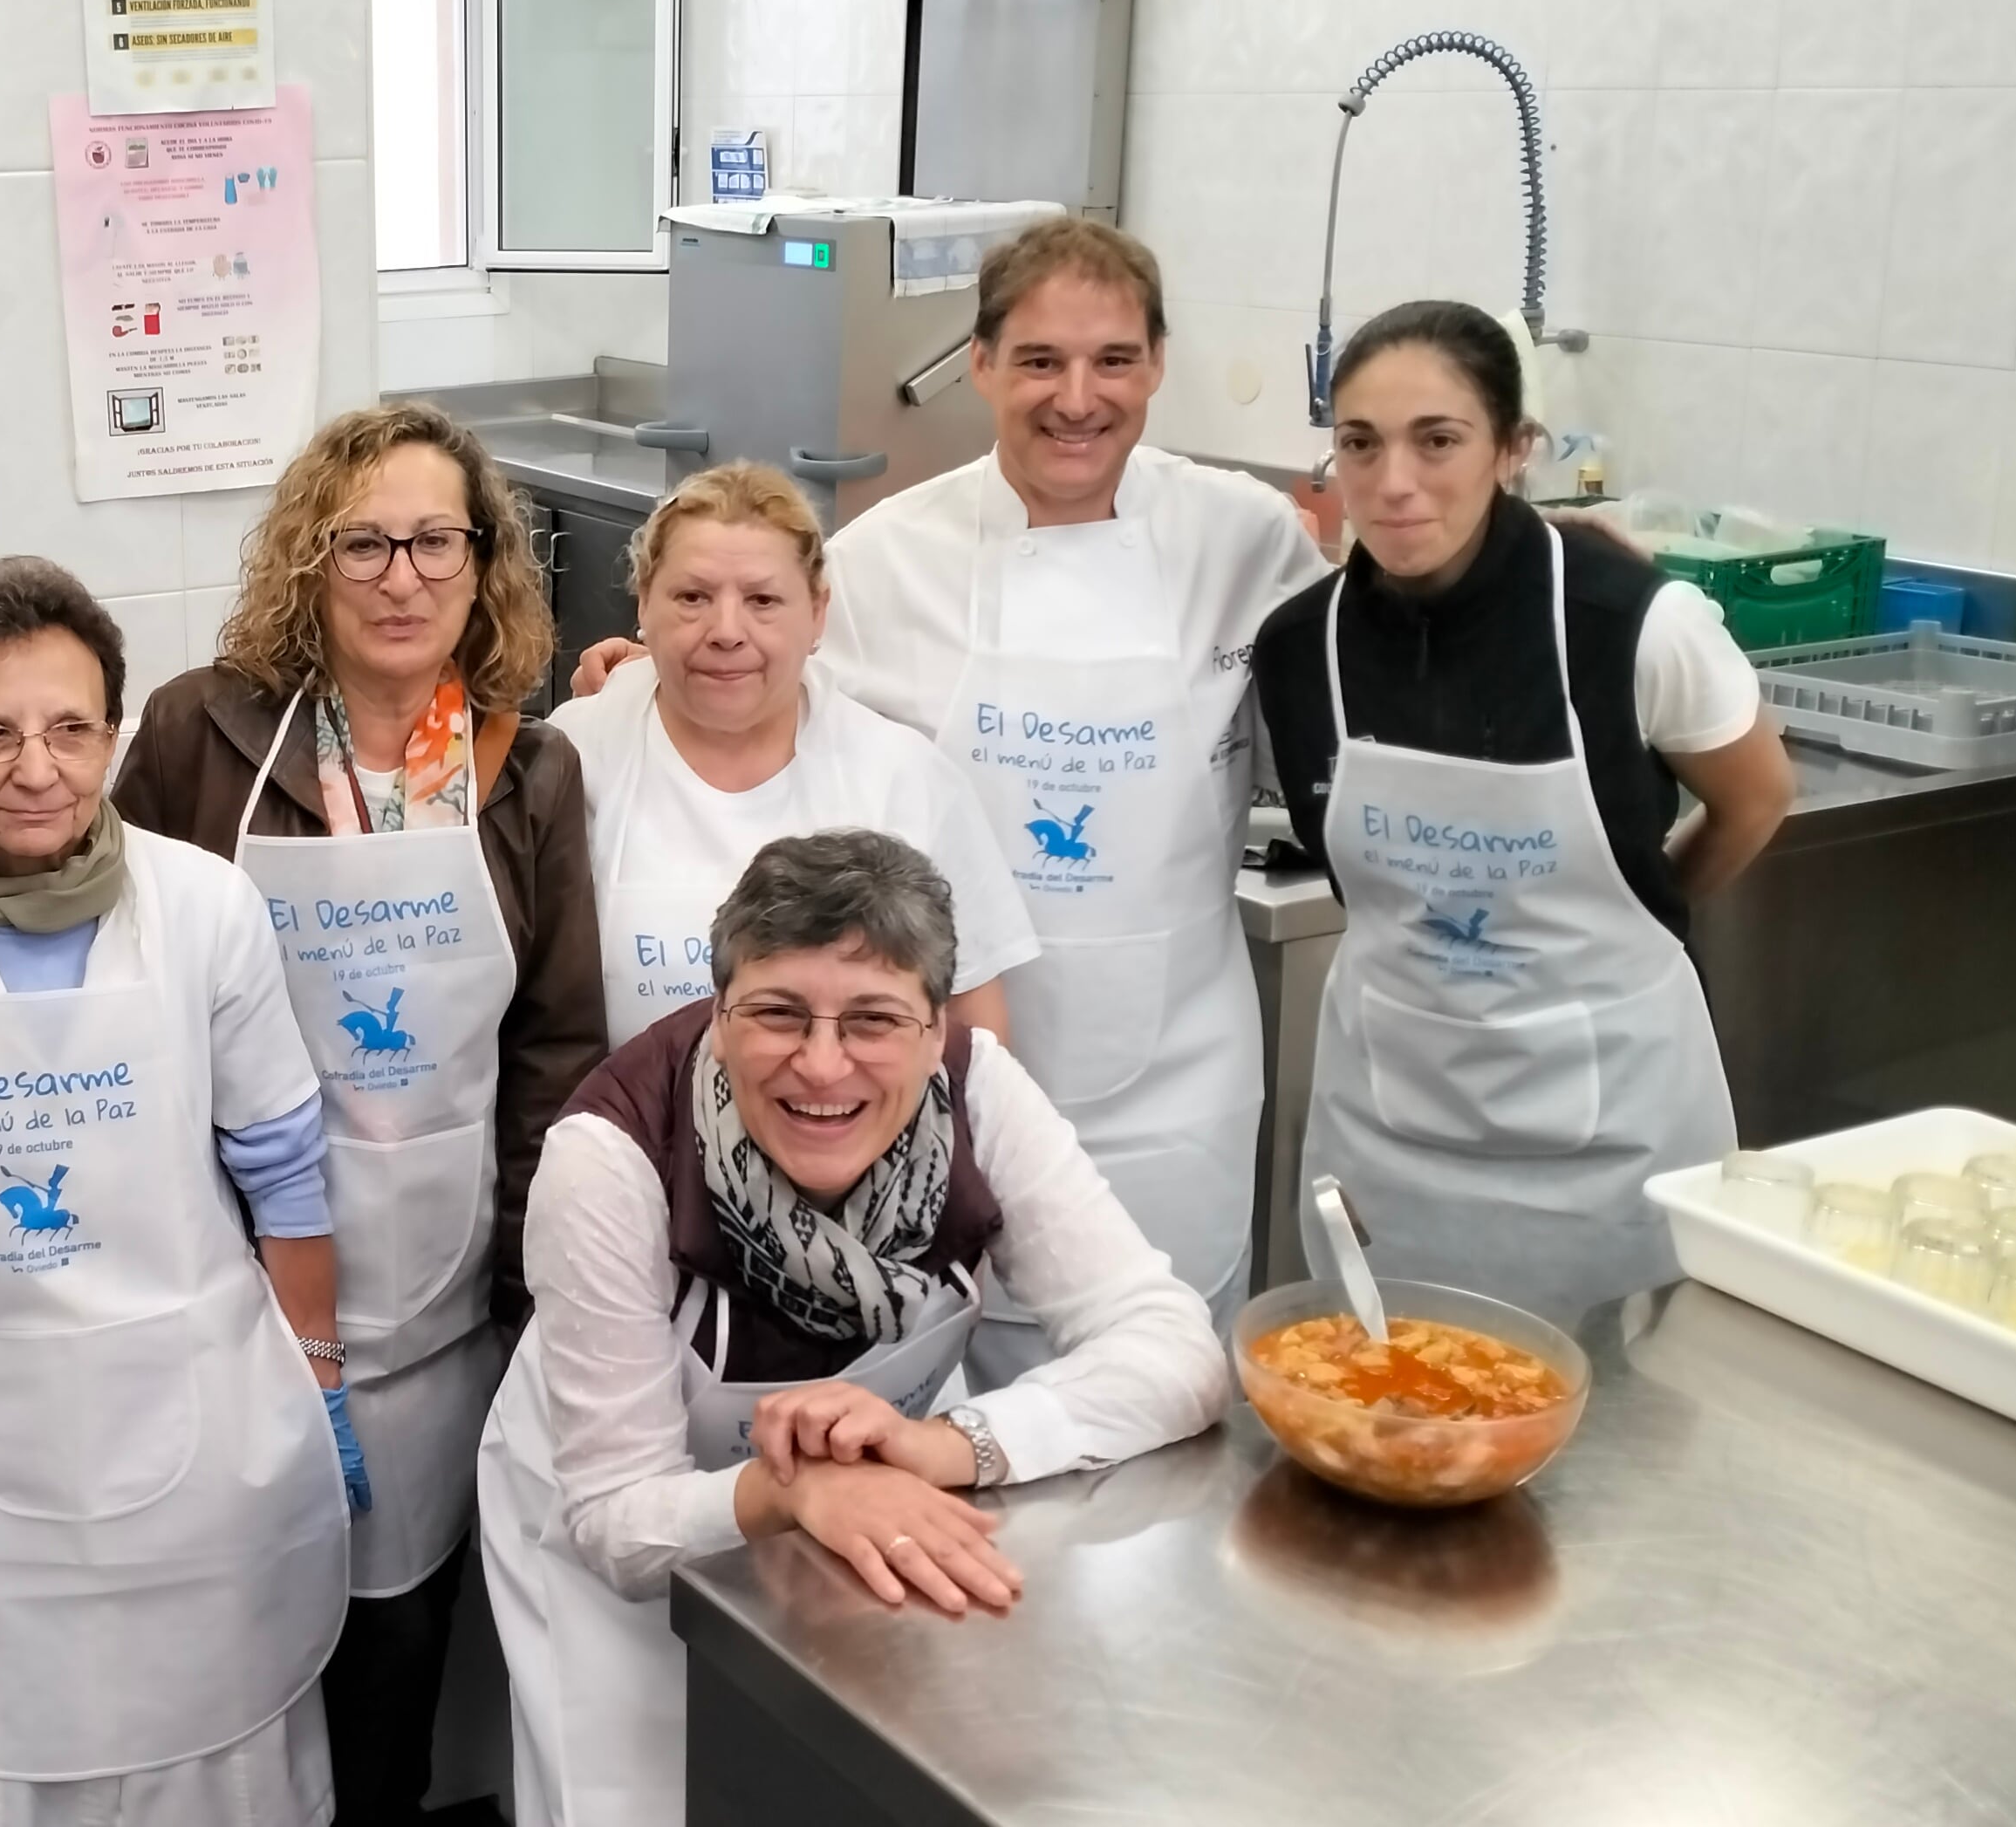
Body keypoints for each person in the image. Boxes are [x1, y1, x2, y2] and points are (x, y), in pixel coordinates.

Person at [0, 558, 360, 1827]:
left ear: (113, 734)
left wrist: (322, 1378)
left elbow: (283, 1169)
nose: (34, 768)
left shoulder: (206, 908)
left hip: (197, 1423)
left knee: (211, 1758)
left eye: (69, 730)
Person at [476, 830, 1228, 1825]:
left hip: (879, 1493)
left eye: (873, 1019)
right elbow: (616, 1516)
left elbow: (1174, 1348)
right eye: (778, 1013)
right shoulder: (611, 1158)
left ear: (934, 1030)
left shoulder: (982, 1093)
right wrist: (793, 1489)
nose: (822, 1067)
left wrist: (940, 1445)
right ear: (719, 1011)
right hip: (626, 1525)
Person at [112, 403, 605, 1824]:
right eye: (364, 542)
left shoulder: (528, 768)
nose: (401, 576)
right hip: (228, 1281)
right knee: (230, 1646)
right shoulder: (202, 733)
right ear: (309, 563)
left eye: (432, 541)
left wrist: (532, 1281)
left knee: (394, 1650)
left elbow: (556, 1048)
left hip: (440, 1300)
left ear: (483, 561)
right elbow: (109, 954)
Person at [814, 216, 1328, 1374]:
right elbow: (767, 724)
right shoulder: (885, 560)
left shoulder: (1242, 539)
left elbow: (1362, 680)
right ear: (984, 366)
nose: (1077, 399)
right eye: (1040, 361)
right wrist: (646, 668)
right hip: (952, 1081)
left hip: (1180, 1080)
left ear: (1156, 365)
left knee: (1166, 1380)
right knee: (969, 1398)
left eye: (1113, 361)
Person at [1252, 300, 1791, 1322]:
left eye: (1439, 440)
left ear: (1513, 448)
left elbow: (1758, 797)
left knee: (1622, 1434)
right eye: (1361, 444)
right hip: (1391, 1137)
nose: (1395, 481)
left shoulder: (1630, 625)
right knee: (1385, 1407)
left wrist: (1644, 908)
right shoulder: (1299, 648)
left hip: (1615, 1142)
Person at [545, 462, 1036, 1052]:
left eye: (763, 600)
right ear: (645, 604)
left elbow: (975, 1021)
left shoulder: (903, 777)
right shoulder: (575, 754)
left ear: (817, 613)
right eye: (693, 597)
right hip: (625, 1136)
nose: (726, 630)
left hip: (855, 1137)